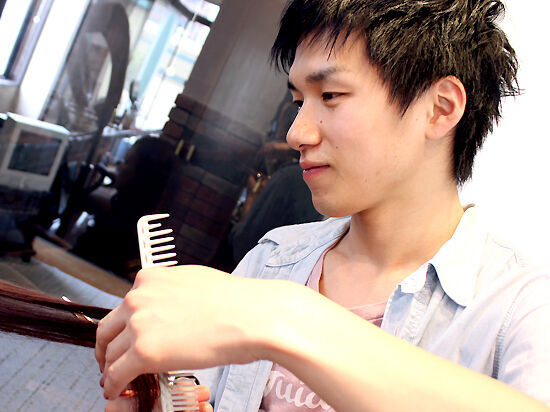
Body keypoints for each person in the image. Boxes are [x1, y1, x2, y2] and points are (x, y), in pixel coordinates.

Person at [95, 0, 550, 411]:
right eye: (299, 101)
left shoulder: (520, 309)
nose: (296, 133)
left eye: (330, 96)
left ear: (440, 108)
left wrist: (284, 319)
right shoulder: (271, 260)